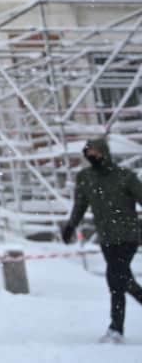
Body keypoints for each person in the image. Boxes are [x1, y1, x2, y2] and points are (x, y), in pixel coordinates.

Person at [61, 137, 142, 344]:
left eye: (95, 152)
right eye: (89, 153)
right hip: (107, 238)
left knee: (116, 279)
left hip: (128, 236)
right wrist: (70, 225)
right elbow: (80, 205)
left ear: (104, 152)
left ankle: (116, 328)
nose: (92, 156)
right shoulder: (85, 178)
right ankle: (116, 328)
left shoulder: (125, 177)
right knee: (123, 280)